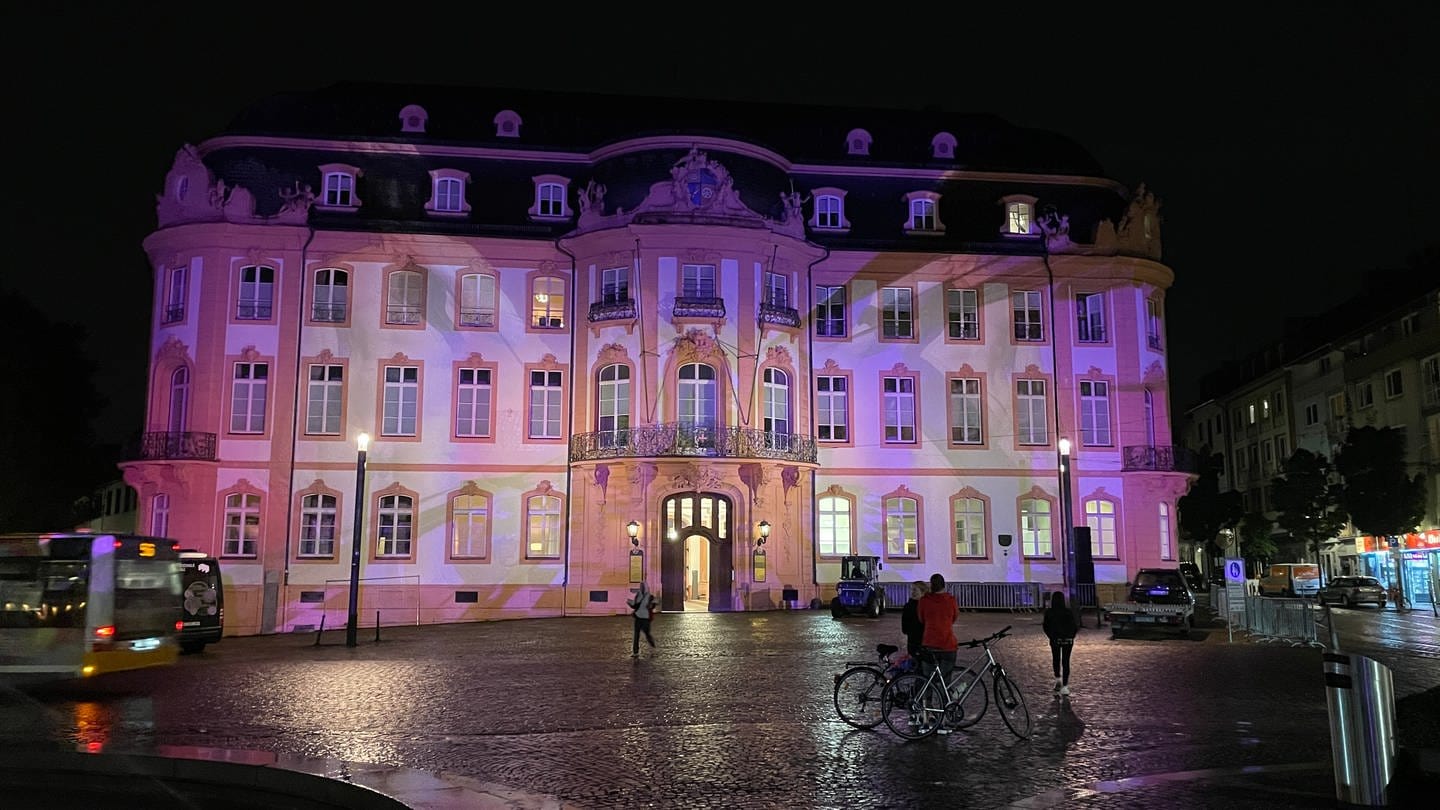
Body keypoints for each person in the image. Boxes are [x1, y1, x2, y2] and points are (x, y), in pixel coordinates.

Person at [1043, 591, 1079, 696]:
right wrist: (1071, 636)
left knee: (1056, 659)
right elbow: (1074, 626)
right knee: (1066, 661)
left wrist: (1051, 635)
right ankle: (1065, 686)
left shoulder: (1049, 612)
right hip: (1068, 640)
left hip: (1055, 639)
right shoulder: (1068, 612)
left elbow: (1045, 626)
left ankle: (1057, 678)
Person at [627, 580, 658, 657]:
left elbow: (653, 605)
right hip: (638, 617)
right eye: (641, 586)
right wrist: (630, 603)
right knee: (636, 635)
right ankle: (635, 652)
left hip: (645, 618)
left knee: (647, 634)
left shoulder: (650, 597)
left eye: (643, 586)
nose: (642, 588)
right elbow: (635, 605)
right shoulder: (638, 595)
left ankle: (652, 646)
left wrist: (652, 604)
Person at [900, 581, 927, 659]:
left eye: (915, 590)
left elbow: (904, 628)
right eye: (912, 590)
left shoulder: (909, 606)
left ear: (922, 592)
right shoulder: (910, 606)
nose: (912, 592)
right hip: (917, 641)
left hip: (916, 640)